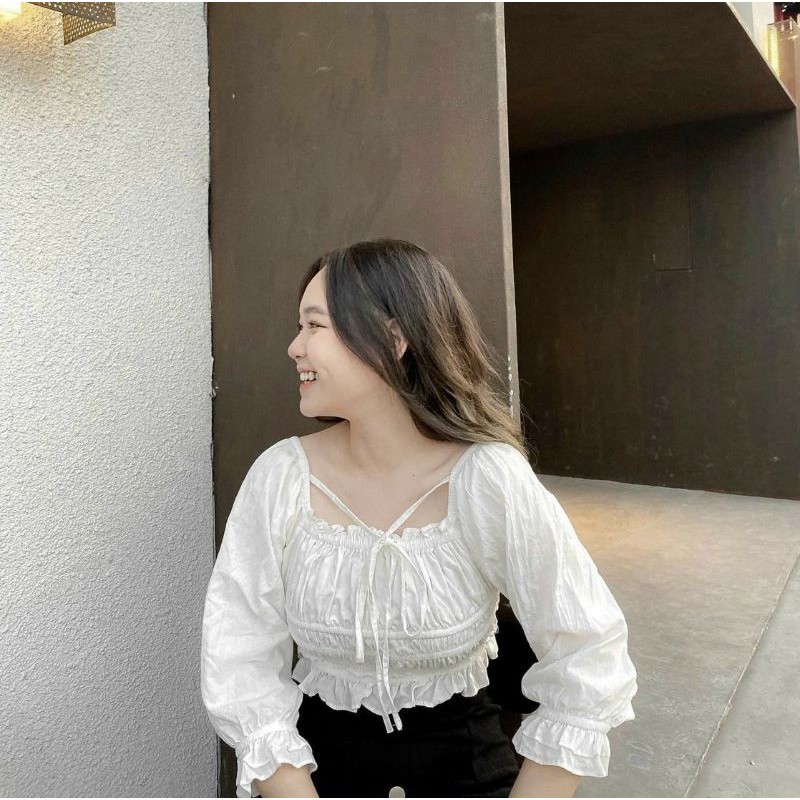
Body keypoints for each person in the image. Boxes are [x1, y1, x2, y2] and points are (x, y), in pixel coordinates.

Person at [200, 239, 638, 798]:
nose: (294, 346)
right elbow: (240, 650)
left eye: (314, 326)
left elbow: (589, 651)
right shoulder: (281, 477)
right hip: (310, 779)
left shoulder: (488, 477)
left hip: (469, 771)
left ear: (393, 338)